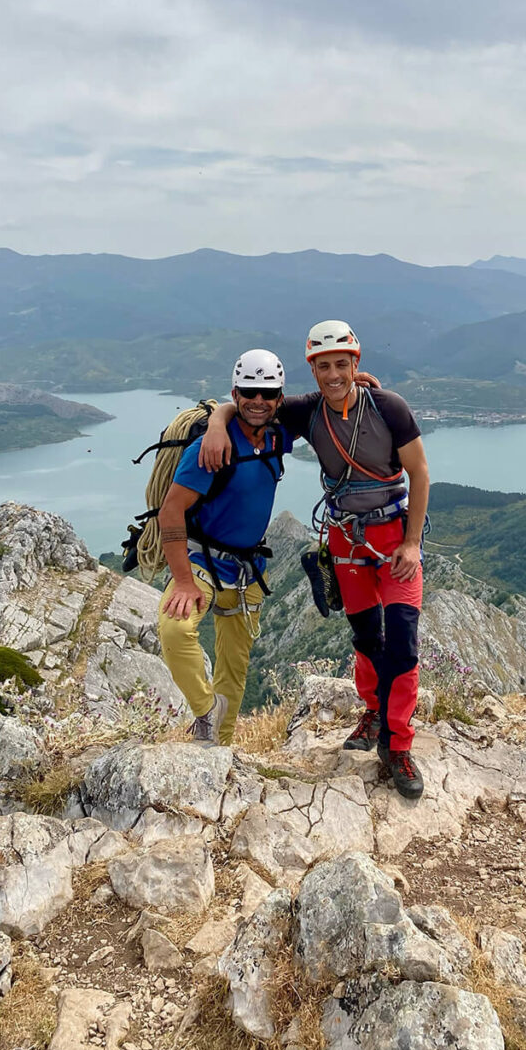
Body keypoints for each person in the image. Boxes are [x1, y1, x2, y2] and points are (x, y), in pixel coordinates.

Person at [202, 320, 430, 797]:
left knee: (403, 642)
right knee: (366, 635)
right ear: (312, 369)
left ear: (356, 363)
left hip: (392, 538)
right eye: (323, 366)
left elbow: (420, 472)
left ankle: (399, 745)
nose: (333, 374)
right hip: (346, 539)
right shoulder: (305, 412)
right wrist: (218, 425)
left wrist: (411, 544)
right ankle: (372, 711)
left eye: (341, 364)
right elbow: (246, 405)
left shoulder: (389, 408)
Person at [157, 349, 292, 746]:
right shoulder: (210, 449)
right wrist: (183, 582)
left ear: (279, 398)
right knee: (174, 629)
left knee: (234, 667)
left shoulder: (280, 434)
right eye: (249, 391)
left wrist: (361, 384)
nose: (258, 401)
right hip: (203, 560)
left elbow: (328, 399)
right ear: (236, 392)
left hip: (248, 570)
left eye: (268, 393)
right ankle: (205, 710)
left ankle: (221, 745)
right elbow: (171, 513)